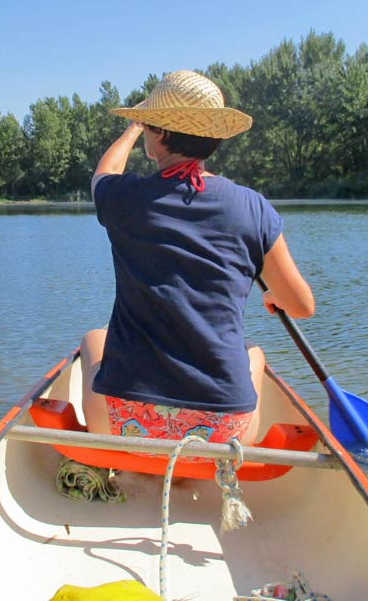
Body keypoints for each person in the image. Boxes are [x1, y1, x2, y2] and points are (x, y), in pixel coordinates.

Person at [81, 70, 315, 449]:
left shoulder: (126, 199)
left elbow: (103, 175)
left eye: (152, 124)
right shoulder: (252, 207)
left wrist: (132, 128)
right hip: (224, 435)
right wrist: (273, 297)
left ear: (161, 134)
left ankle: (132, 462)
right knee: (253, 353)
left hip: (123, 424)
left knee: (93, 339)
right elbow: (301, 305)